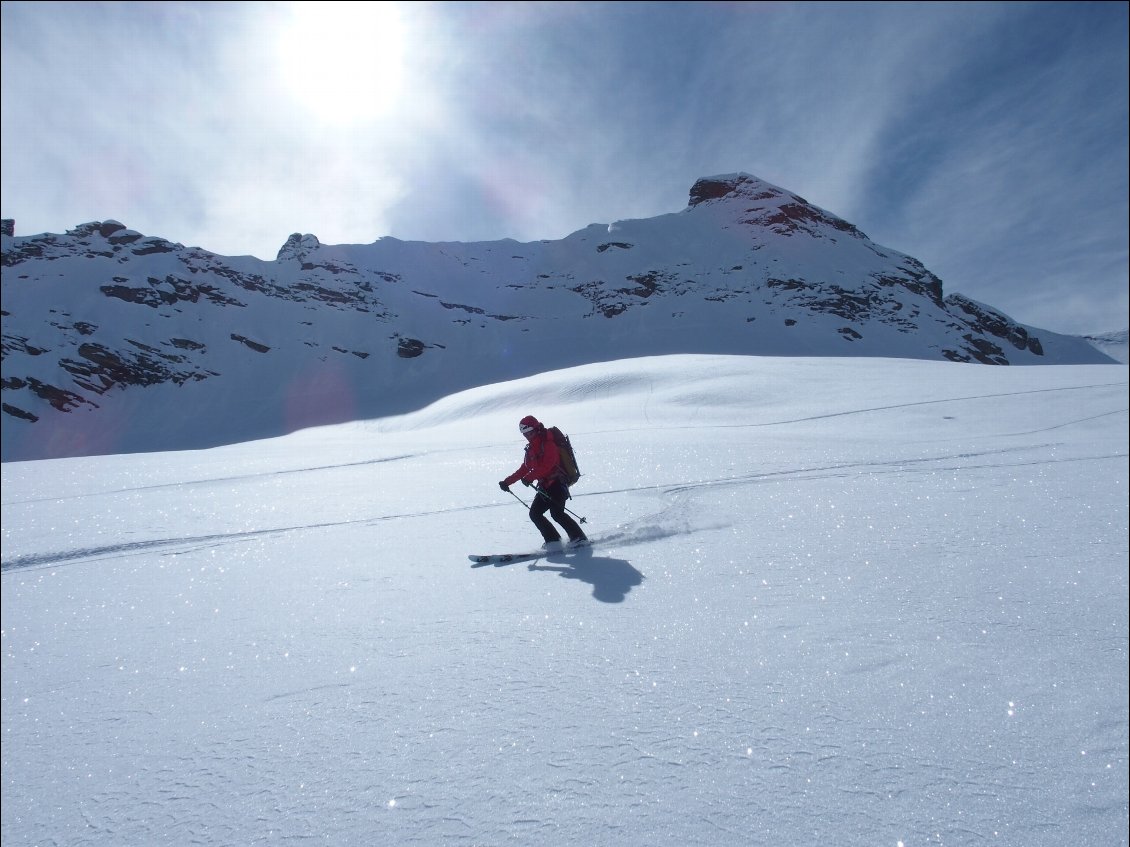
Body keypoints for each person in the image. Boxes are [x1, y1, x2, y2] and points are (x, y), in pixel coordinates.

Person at [499, 415, 588, 551]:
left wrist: (530, 477)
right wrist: (507, 482)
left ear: (536, 429)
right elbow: (525, 468)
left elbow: (548, 464)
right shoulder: (531, 448)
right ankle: (553, 541)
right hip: (544, 486)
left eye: (529, 432)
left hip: (557, 484)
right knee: (535, 514)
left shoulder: (548, 443)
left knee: (557, 513)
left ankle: (579, 538)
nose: (527, 435)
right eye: (524, 433)